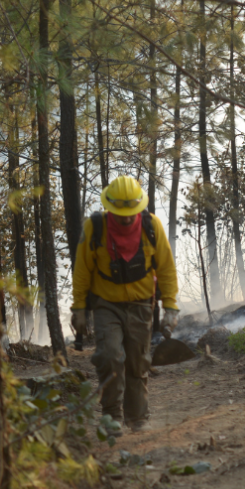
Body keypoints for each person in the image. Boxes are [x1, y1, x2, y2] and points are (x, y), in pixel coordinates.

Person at [70, 175, 179, 434]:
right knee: (109, 356)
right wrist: (79, 309)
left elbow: (165, 268)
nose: (127, 218)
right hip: (106, 304)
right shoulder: (94, 228)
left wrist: (171, 307)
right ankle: (112, 417)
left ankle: (138, 418)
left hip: (142, 305)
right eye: (121, 214)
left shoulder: (152, 227)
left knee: (137, 362)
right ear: (110, 209)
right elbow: (82, 271)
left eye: (132, 212)